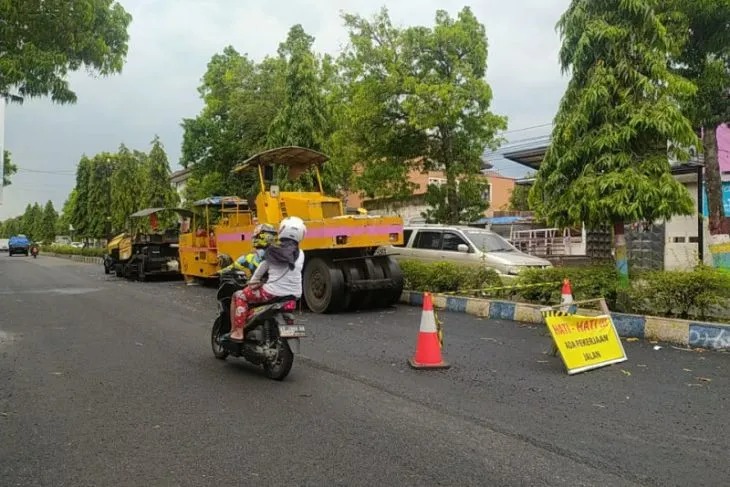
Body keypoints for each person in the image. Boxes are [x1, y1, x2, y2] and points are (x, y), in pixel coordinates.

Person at [227, 216, 306, 342]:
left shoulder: (271, 251)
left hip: (271, 293)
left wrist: (252, 283)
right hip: (294, 295)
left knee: (239, 296)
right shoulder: (301, 254)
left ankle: (238, 332)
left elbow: (259, 273)